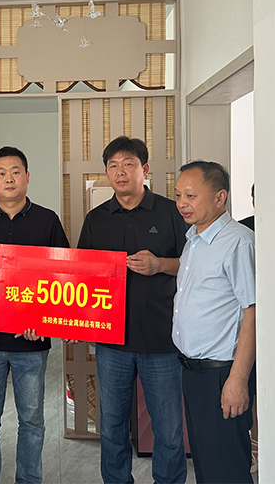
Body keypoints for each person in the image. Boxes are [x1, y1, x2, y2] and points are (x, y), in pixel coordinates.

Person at [77, 136, 187, 484]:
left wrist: (160, 265)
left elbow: (195, 265)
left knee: (168, 430)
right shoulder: (96, 219)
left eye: (128, 164)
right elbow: (81, 277)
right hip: (112, 343)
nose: (120, 172)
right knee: (111, 428)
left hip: (161, 339)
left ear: (145, 169)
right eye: (113, 165)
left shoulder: (171, 212)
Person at [0, 146, 68, 484]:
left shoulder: (47, 220)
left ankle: (28, 480)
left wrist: (44, 319)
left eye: (16, 171)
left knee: (32, 420)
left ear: (27, 177)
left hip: (31, 340)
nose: (9, 178)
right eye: (2, 173)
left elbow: (63, 275)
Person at [173, 161, 256, 484]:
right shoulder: (193, 241)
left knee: (226, 471)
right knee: (207, 468)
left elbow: (253, 313)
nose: (182, 203)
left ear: (220, 197)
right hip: (194, 373)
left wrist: (237, 380)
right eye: (178, 195)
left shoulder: (238, 242)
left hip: (222, 374)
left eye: (191, 195)